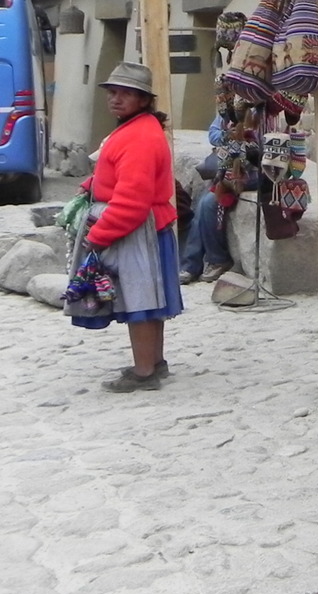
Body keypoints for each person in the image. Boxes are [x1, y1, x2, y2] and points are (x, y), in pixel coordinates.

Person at [66, 61, 183, 392]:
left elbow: (132, 200)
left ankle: (144, 371)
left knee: (140, 301)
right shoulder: (137, 129)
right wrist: (93, 183)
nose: (116, 99)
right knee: (150, 300)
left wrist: (98, 237)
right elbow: (120, 174)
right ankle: (154, 363)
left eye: (126, 94)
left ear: (144, 100)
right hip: (144, 228)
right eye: (112, 92)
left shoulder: (140, 137)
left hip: (136, 230)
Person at [179, 114, 240, 285]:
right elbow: (213, 133)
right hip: (226, 171)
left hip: (247, 173)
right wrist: (227, 135)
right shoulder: (229, 109)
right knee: (201, 205)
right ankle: (191, 265)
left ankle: (218, 258)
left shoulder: (261, 112)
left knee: (208, 203)